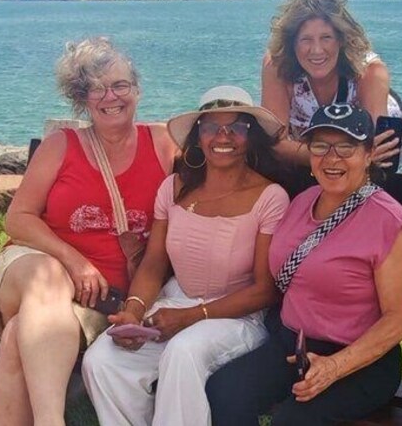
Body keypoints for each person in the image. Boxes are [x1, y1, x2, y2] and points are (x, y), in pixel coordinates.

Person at [0, 37, 177, 426]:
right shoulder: (61, 146)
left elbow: (214, 174)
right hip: (33, 265)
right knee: (49, 276)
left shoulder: (162, 143)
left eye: (120, 85)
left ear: (137, 90)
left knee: (21, 333)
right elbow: (18, 218)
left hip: (100, 299)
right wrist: (73, 260)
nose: (111, 96)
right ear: (82, 98)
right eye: (97, 89)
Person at [82, 86, 290, 426]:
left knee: (184, 351)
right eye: (211, 127)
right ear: (198, 136)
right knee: (102, 360)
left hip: (237, 316)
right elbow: (154, 262)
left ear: (250, 136)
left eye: (236, 127)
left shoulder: (270, 198)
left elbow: (265, 291)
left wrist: (193, 316)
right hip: (175, 302)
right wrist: (134, 311)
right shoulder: (173, 188)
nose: (223, 136)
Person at [207, 102, 402, 426]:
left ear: (368, 155)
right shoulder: (302, 202)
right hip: (293, 347)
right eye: (320, 146)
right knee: (225, 392)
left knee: (293, 421)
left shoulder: (388, 222)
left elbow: (399, 321)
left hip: (360, 361)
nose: (332, 158)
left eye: (346, 147)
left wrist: (334, 367)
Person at [261, 0, 402, 169]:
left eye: (326, 38)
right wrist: (331, 156)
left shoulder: (369, 71)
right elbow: (274, 144)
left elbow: (376, 151)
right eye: (306, 39)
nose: (316, 50)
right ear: (292, 43)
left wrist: (325, 155)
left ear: (341, 40)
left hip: (363, 159)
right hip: (326, 155)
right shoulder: (277, 65)